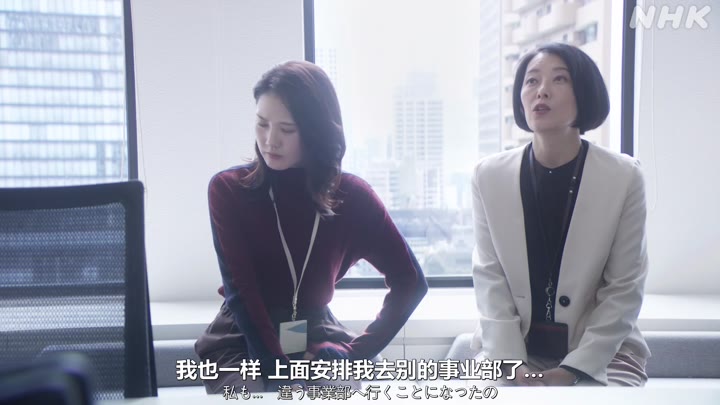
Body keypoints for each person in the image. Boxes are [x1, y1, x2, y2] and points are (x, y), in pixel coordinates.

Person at [194, 60, 428, 394]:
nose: (270, 140)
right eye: (262, 124)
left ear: (316, 131)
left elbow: (411, 281)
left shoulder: (353, 197)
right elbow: (242, 294)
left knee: (338, 389)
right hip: (243, 338)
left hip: (318, 335)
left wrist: (354, 353)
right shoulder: (229, 190)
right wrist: (281, 375)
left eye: (287, 130)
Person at [470, 43, 650, 387]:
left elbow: (625, 286)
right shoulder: (488, 176)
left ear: (584, 93)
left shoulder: (623, 177)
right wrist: (512, 364)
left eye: (559, 79)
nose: (542, 91)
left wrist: (575, 369)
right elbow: (489, 276)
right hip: (513, 346)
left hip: (604, 349)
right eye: (531, 81)